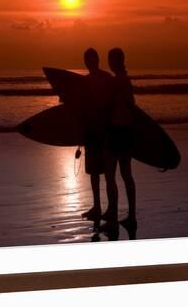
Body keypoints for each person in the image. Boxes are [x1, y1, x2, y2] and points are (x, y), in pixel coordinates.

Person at [100, 47, 137, 238]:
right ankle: (131, 216)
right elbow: (132, 106)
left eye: (110, 59)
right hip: (127, 131)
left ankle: (112, 219)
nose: (109, 62)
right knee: (126, 175)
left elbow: (107, 107)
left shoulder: (116, 82)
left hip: (116, 131)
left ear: (114, 61)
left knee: (110, 175)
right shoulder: (127, 81)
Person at [80, 48, 114, 222]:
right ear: (85, 62)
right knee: (94, 172)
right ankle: (97, 206)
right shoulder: (84, 81)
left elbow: (114, 103)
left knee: (108, 173)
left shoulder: (107, 79)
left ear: (97, 60)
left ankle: (110, 209)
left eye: (92, 59)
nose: (90, 62)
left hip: (105, 131)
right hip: (91, 132)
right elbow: (79, 106)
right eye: (88, 60)